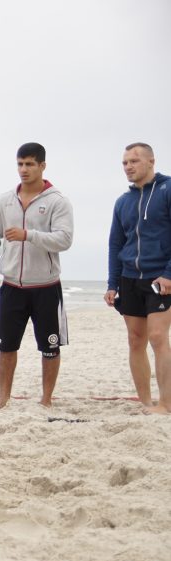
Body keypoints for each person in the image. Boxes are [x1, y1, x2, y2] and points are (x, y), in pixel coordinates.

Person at [0, 143, 74, 408]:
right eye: (20, 164)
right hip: (11, 286)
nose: (24, 169)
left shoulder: (58, 201)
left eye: (29, 164)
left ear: (42, 166)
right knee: (6, 346)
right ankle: (3, 399)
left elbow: (64, 239)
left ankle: (46, 400)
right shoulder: (5, 200)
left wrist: (29, 235)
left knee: (50, 347)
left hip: (46, 286)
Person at [104, 142, 171, 414]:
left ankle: (166, 403)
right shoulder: (123, 201)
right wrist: (112, 283)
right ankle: (145, 402)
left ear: (151, 161)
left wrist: (169, 274)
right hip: (130, 278)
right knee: (136, 340)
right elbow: (115, 244)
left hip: (160, 278)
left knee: (157, 337)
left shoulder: (167, 191)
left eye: (134, 161)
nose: (128, 166)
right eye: (124, 162)